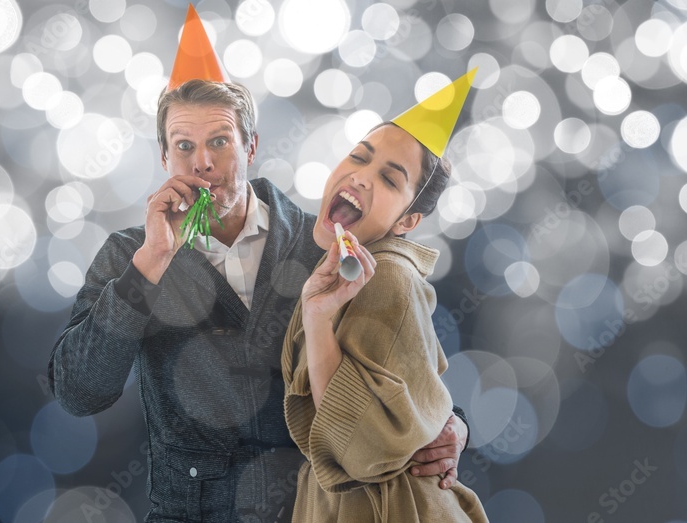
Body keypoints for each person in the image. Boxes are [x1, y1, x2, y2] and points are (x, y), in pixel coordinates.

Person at [49, 5, 471, 522]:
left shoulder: (327, 244)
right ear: (164, 158)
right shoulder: (130, 256)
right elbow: (78, 391)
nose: (202, 162)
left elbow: (405, 365)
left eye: (220, 141)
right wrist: (151, 264)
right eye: (184, 146)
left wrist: (455, 425)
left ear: (251, 145)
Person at [282, 71, 488, 522]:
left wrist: (453, 424)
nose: (359, 177)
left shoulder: (388, 275)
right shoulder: (330, 253)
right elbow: (408, 380)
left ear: (406, 222)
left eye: (390, 180)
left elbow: (358, 445)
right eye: (358, 156)